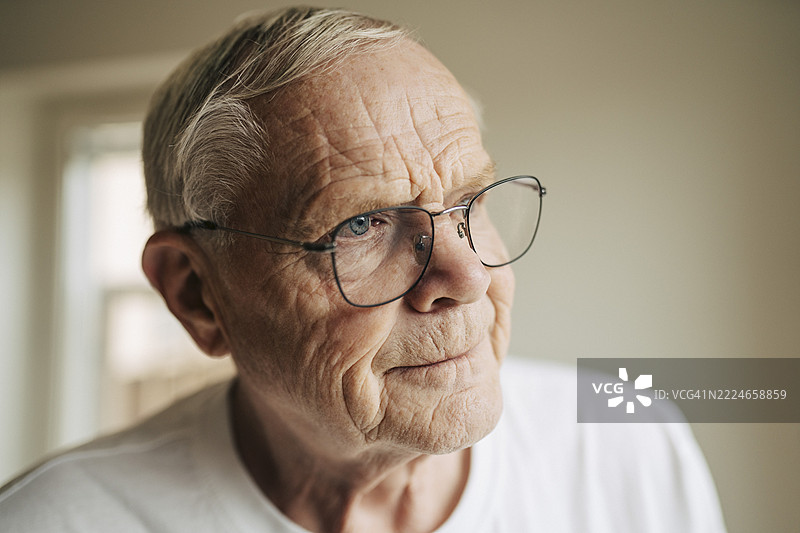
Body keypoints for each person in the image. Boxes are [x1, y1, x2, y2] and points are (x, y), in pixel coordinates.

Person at [0, 7, 726, 532]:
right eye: (362, 225)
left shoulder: (628, 440)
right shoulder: (58, 519)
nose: (468, 275)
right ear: (198, 296)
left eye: (472, 200)